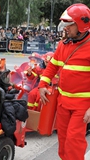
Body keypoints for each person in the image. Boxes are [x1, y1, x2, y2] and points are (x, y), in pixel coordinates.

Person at [38, 3, 90, 160]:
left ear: (81, 25)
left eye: (69, 25)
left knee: (74, 142)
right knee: (63, 140)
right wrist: (42, 85)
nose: (65, 28)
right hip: (63, 102)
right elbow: (52, 66)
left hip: (82, 105)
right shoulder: (63, 44)